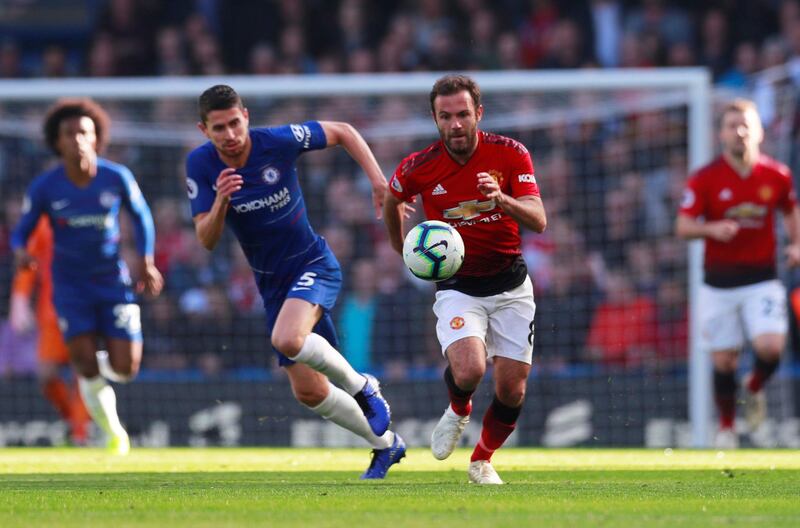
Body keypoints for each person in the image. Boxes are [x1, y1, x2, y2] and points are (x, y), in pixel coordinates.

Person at [185, 84, 404, 479]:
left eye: (235, 123)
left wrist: (377, 181)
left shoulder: (278, 141)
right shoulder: (200, 166)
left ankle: (365, 388)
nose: (230, 135)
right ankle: (387, 445)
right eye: (219, 128)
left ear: (246, 117)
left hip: (312, 264)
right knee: (310, 392)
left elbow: (344, 132)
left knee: (287, 339)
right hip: (272, 285)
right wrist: (219, 202)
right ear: (205, 130)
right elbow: (206, 238)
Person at [383, 74, 547, 484]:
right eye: (445, 116)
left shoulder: (510, 154)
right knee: (471, 369)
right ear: (435, 119)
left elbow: (539, 220)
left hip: (510, 285)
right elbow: (392, 197)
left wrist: (502, 199)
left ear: (479, 113)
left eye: (462, 114)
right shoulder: (419, 166)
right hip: (458, 287)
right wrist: (400, 246)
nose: (455, 124)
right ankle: (458, 409)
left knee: (512, 390)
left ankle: (481, 460)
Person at [11, 98, 163, 455]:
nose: (77, 138)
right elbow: (21, 231)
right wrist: (20, 251)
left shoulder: (117, 177)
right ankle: (113, 434)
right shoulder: (45, 187)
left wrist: (146, 260)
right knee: (83, 364)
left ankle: (100, 370)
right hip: (69, 287)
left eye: (84, 132)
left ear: (96, 138)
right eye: (69, 133)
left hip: (113, 282)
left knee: (126, 369)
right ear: (57, 141)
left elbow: (142, 217)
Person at [676, 98, 800, 449]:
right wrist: (712, 230)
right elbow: (683, 226)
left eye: (746, 125)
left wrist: (796, 244)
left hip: (762, 278)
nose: (740, 132)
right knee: (725, 360)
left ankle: (755, 386)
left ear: (759, 131)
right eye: (732, 125)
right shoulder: (705, 178)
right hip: (718, 283)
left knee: (771, 347)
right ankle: (728, 428)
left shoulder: (777, 175)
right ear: (721, 134)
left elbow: (791, 211)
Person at [10, 216, 91, 445]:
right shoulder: (43, 222)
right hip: (51, 313)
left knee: (83, 374)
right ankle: (73, 420)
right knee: (46, 376)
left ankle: (80, 435)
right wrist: (20, 297)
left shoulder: (90, 214)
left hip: (83, 308)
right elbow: (28, 261)